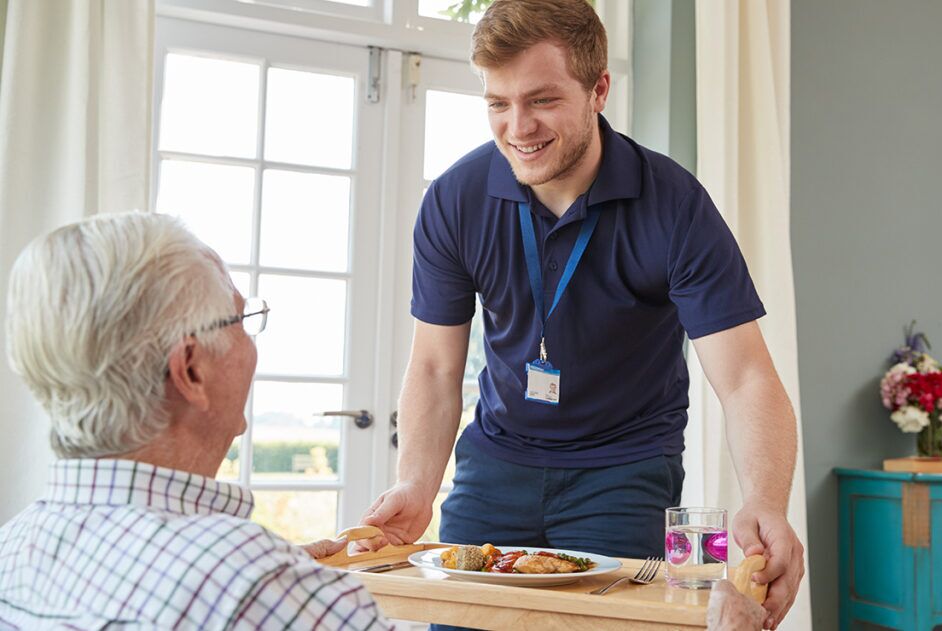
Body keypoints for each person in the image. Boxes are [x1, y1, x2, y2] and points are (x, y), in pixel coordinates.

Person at [362, 0, 804, 629]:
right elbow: (434, 368)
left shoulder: (675, 205)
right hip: (496, 464)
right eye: (498, 103)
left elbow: (746, 379)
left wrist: (764, 501)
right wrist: (415, 484)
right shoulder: (454, 201)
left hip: (624, 470)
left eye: (542, 100)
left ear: (599, 89)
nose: (518, 127)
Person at [0, 213, 392, 630]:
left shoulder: (13, 548)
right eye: (241, 320)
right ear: (190, 369)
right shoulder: (257, 587)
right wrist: (288, 588)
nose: (251, 343)